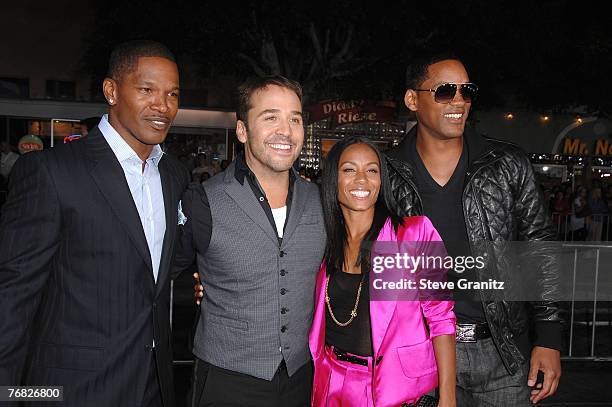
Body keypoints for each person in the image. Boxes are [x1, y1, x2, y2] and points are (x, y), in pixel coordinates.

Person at [0, 40, 188, 407]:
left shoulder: (173, 175)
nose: (162, 106)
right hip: (71, 390)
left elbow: (153, 270)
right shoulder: (51, 172)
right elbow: (12, 298)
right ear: (112, 91)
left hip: (154, 386)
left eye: (172, 94)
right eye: (147, 90)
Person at [387, 52, 563, 406]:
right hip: (418, 352)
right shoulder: (386, 172)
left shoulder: (507, 165)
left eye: (466, 91)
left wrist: (549, 336)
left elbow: (539, 250)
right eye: (445, 91)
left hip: (500, 353)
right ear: (412, 100)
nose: (458, 101)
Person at [175, 75, 326, 407]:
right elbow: (163, 277)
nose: (285, 130)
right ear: (242, 130)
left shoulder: (322, 200)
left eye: (295, 119)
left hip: (302, 378)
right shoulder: (202, 200)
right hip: (226, 381)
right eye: (270, 117)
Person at [309, 136, 456, 406]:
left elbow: (441, 318)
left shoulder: (414, 233)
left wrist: (448, 397)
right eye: (349, 169)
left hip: (392, 388)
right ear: (333, 179)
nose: (362, 179)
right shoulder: (322, 241)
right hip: (330, 381)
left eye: (372, 170)